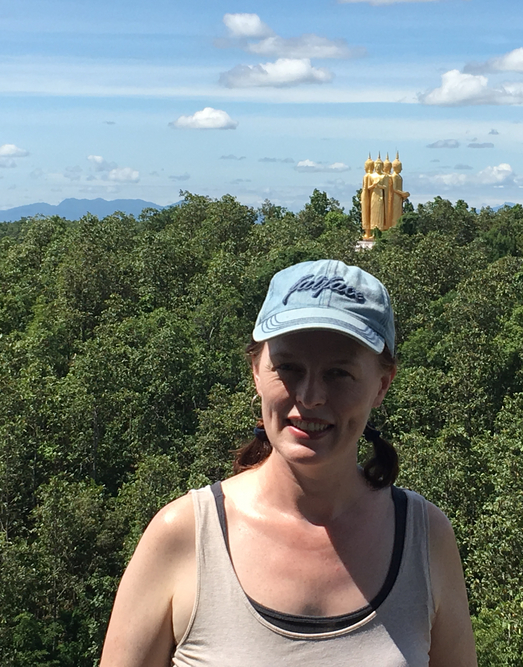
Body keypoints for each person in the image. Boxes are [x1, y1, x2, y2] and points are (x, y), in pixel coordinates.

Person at [99, 260, 478, 666]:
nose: (311, 395)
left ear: (381, 385)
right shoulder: (186, 536)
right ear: (256, 373)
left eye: (339, 373)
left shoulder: (424, 538)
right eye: (289, 368)